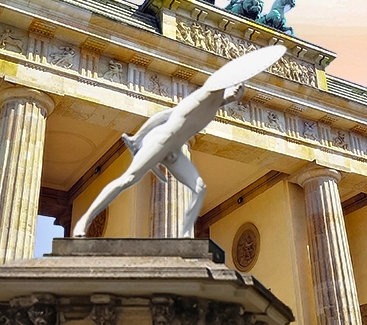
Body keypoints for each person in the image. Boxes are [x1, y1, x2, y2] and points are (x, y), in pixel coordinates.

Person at [72, 82, 246, 239]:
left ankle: (184, 238)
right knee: (128, 179)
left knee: (200, 188)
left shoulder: (212, 110)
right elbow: (164, 115)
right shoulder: (204, 97)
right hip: (161, 140)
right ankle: (85, 220)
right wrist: (138, 138)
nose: (239, 89)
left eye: (242, 89)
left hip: (175, 152)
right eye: (237, 85)